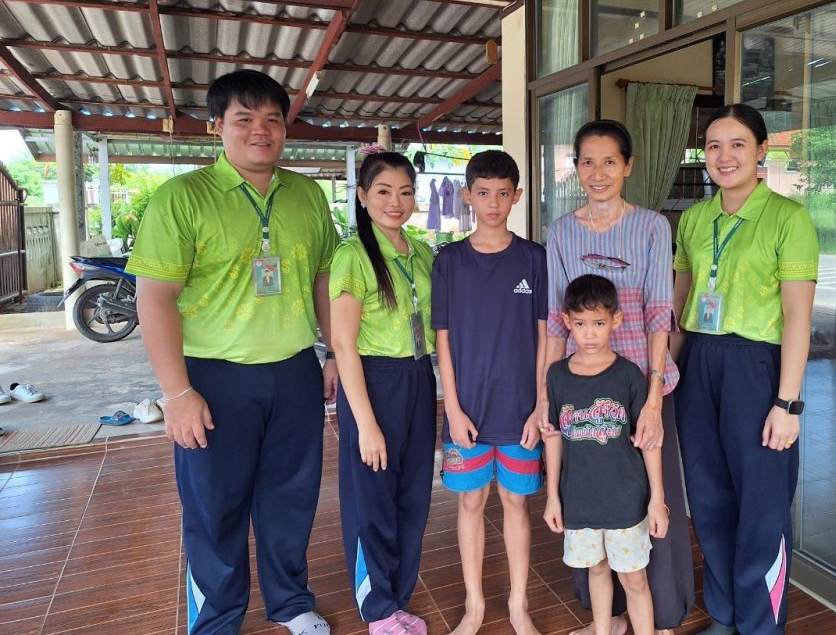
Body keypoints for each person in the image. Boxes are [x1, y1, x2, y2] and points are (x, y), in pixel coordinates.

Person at [127, 70, 338, 635]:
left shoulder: (308, 195)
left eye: (272, 119)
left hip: (294, 371)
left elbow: (324, 278)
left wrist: (335, 353)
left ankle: (291, 603)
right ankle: (218, 618)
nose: (260, 131)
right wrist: (176, 393)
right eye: (244, 119)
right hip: (213, 379)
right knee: (214, 505)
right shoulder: (182, 198)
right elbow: (154, 299)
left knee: (291, 498)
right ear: (216, 126)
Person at [671, 103, 818, 635]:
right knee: (708, 497)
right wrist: (665, 371)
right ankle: (726, 614)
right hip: (699, 362)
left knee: (762, 504)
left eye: (737, 144)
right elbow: (680, 303)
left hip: (758, 368)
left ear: (760, 150)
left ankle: (760, 624)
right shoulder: (694, 220)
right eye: (713, 145)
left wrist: (787, 403)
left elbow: (798, 317)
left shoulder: (788, 218)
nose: (724, 156)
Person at [544, 119, 693, 635]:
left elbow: (658, 314)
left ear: (628, 166)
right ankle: (606, 619)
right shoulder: (562, 232)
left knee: (652, 497)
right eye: (588, 161)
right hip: (582, 386)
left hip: (640, 385)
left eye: (609, 161)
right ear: (576, 168)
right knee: (590, 494)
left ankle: (658, 616)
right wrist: (545, 393)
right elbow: (554, 319)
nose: (598, 172)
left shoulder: (652, 227)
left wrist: (653, 398)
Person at [431, 150, 548, 635]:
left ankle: (519, 604)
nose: (493, 203)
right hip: (468, 414)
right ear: (467, 196)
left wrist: (540, 405)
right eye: (483, 193)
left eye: (503, 193)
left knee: (516, 503)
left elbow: (545, 337)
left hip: (521, 411)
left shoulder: (534, 258)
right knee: (471, 503)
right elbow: (442, 340)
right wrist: (453, 409)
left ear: (517, 196)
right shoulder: (449, 261)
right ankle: (474, 605)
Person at [328, 149, 437, 635]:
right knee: (371, 499)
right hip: (373, 381)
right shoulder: (353, 256)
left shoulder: (422, 254)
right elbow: (343, 345)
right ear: (362, 195)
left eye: (405, 192)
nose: (396, 202)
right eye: (383, 191)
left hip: (418, 377)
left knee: (413, 494)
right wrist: (366, 424)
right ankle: (377, 609)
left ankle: (398, 597)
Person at [543, 274, 669, 635]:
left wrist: (657, 500)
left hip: (626, 502)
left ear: (616, 320)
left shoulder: (629, 375)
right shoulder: (557, 376)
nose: (589, 334)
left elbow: (649, 442)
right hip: (579, 501)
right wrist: (552, 497)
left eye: (598, 323)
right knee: (596, 570)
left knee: (634, 579)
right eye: (580, 324)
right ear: (566, 322)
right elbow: (553, 438)